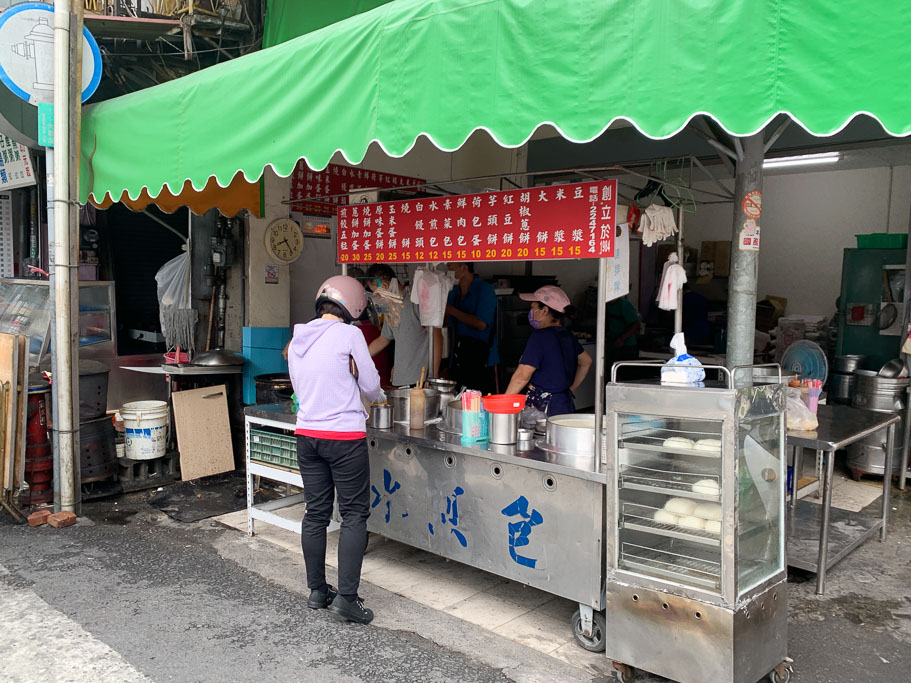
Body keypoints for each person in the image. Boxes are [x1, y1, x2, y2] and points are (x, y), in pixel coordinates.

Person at [287, 275, 383, 625]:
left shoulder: (299, 337)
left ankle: (317, 590)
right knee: (354, 515)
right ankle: (347, 598)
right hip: (344, 438)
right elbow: (372, 385)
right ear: (354, 306)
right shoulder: (350, 334)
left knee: (316, 513)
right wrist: (366, 385)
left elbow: (300, 386)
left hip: (307, 435)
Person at [505, 286, 592, 418]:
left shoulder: (540, 337)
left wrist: (503, 404)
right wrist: (570, 388)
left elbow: (522, 376)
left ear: (544, 310)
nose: (530, 312)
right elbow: (586, 361)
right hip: (564, 403)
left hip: (543, 409)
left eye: (532, 308)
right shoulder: (567, 335)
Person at [365, 264, 442, 386]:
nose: (377, 298)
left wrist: (433, 375)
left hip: (421, 379)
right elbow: (384, 339)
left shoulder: (415, 300)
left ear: (384, 285)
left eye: (377, 293)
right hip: (401, 378)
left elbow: (436, 335)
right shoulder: (391, 306)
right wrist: (360, 357)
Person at [445, 262, 498, 393]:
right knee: (459, 398)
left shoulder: (484, 290)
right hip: (459, 353)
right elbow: (449, 324)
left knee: (479, 400)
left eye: (451, 267)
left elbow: (481, 324)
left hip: (481, 355)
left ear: (464, 267)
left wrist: (452, 310)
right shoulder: (454, 292)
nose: (448, 272)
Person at [605, 295, 641, 373]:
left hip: (627, 345)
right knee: (612, 371)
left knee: (625, 372)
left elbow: (636, 324)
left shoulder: (624, 305)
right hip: (613, 343)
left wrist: (622, 338)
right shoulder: (606, 305)